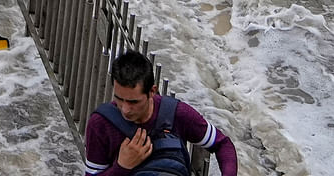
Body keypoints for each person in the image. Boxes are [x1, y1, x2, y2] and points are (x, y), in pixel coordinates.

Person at [85, 50, 238, 176]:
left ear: (152, 91)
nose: (125, 109)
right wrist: (122, 166)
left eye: (133, 102)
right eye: (119, 99)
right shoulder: (101, 124)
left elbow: (222, 144)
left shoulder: (177, 114)